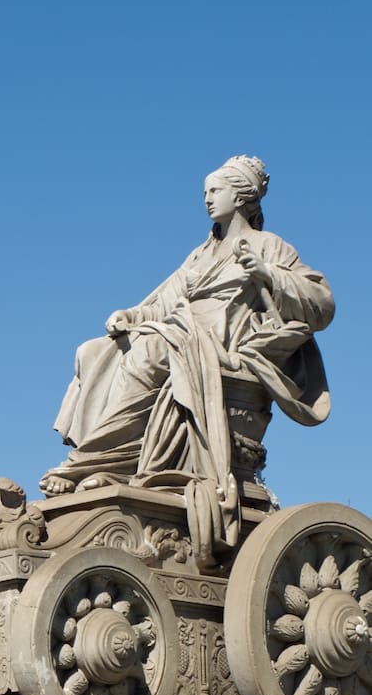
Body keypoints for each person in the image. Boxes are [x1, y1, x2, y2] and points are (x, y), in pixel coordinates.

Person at [39, 156, 334, 560]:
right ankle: (106, 463)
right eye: (205, 192)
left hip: (221, 346)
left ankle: (91, 463)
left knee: (147, 354)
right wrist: (134, 315)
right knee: (94, 351)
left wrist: (269, 274)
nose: (208, 198)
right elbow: (164, 302)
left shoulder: (270, 246)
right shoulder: (200, 255)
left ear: (241, 194)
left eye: (215, 190)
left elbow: (321, 304)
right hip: (181, 332)